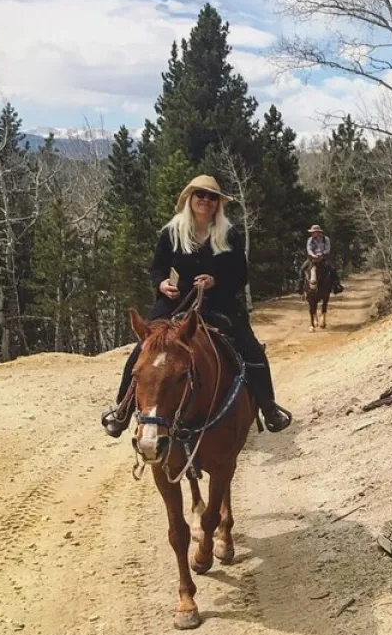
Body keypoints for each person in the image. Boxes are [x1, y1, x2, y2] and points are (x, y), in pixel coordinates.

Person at [101, 174, 292, 437]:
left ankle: (268, 406)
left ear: (218, 203)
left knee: (252, 350)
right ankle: (122, 410)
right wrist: (162, 284)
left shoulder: (230, 235)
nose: (206, 200)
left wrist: (216, 281)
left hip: (221, 305)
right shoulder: (171, 233)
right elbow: (156, 269)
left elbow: (241, 275)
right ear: (189, 198)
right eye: (200, 195)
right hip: (174, 305)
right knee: (141, 351)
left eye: (212, 197)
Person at [300, 224, 341, 295]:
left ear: (318, 232)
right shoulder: (310, 239)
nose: (312, 233)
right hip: (312, 258)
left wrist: (321, 254)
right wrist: (313, 255)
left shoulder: (326, 239)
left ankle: (336, 285)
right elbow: (309, 249)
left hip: (323, 257)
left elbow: (328, 249)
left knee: (332, 269)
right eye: (312, 232)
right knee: (302, 268)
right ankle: (300, 286)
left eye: (313, 232)